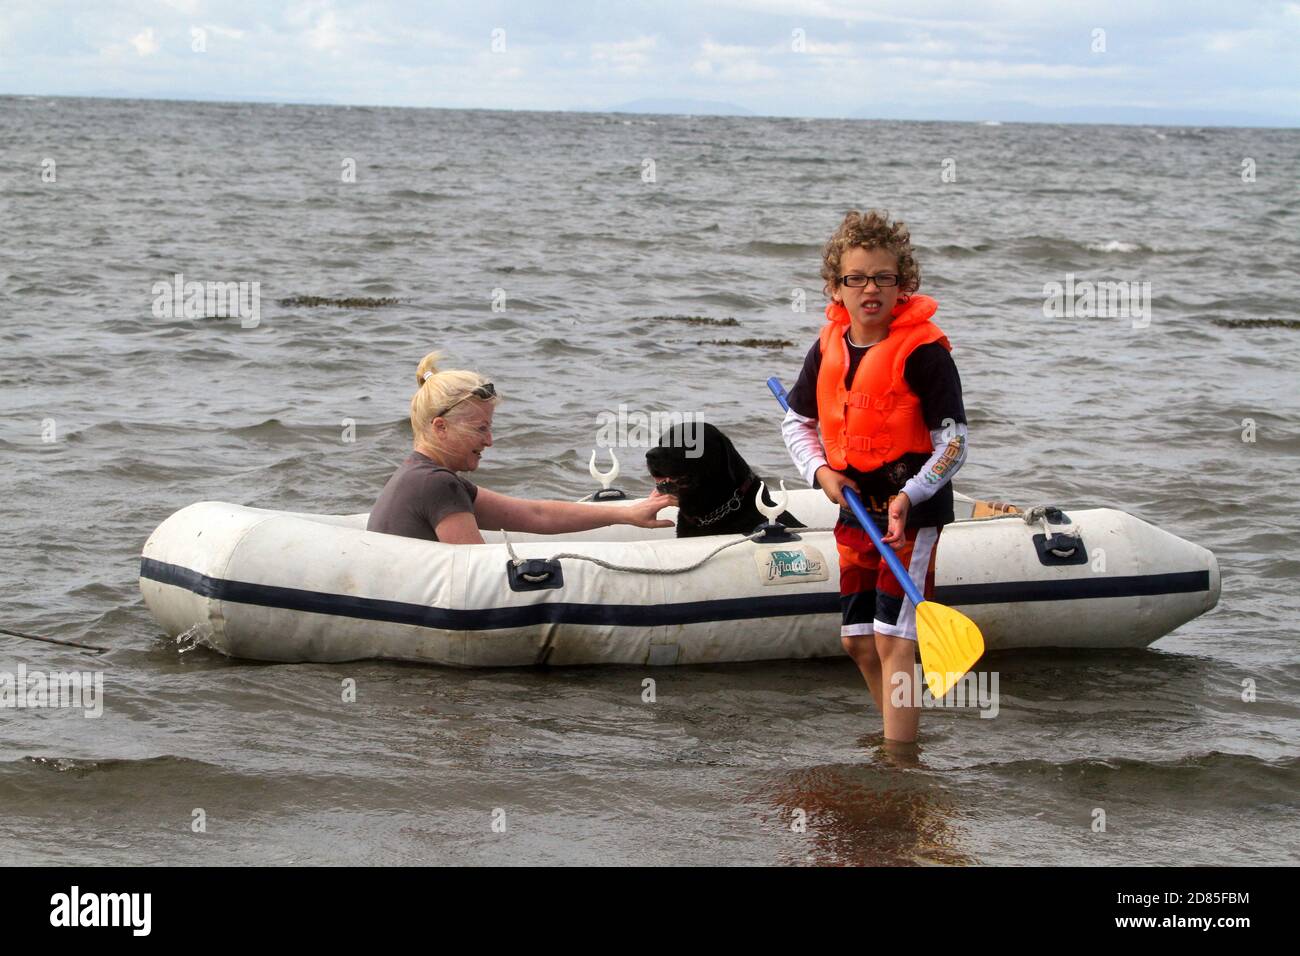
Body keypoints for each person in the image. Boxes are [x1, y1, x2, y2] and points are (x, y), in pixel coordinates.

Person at [782, 210, 969, 745]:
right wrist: (822, 473)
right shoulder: (827, 347)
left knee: (893, 639)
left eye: (883, 277)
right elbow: (797, 423)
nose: (870, 289)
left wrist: (910, 495)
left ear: (902, 283)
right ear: (835, 286)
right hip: (854, 506)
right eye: (856, 278)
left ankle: (900, 759)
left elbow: (954, 444)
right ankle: (899, 736)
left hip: (912, 513)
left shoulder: (926, 354)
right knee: (858, 640)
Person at [368, 351, 676, 544]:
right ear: (440, 426)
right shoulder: (436, 484)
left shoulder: (421, 474)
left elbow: (535, 514)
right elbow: (480, 575)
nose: (489, 441)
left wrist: (626, 513)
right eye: (480, 429)